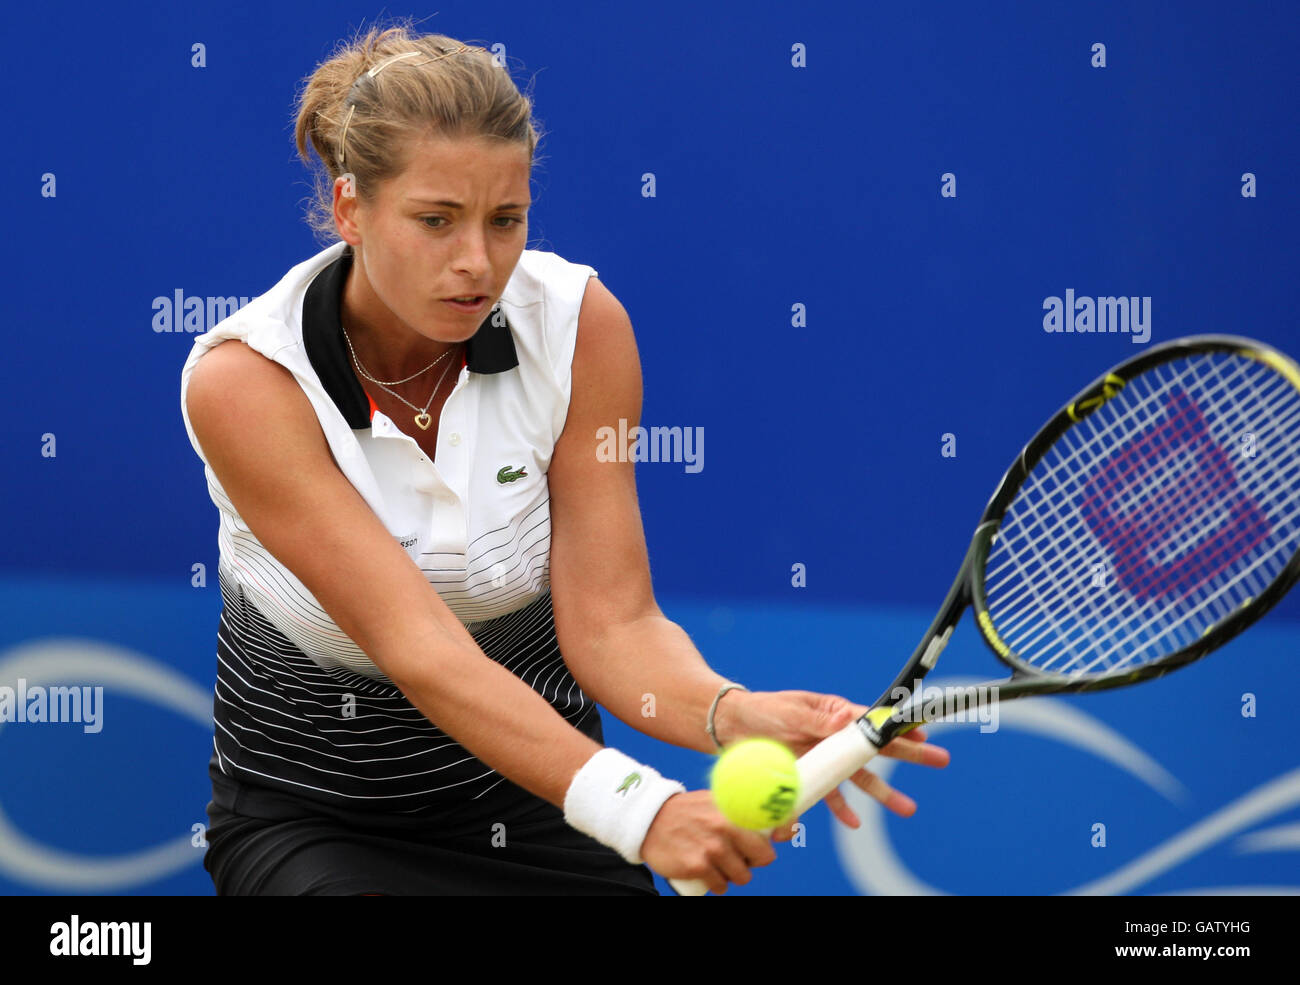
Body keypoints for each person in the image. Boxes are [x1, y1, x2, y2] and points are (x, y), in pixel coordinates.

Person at [179, 20, 948, 896]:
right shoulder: (247, 383)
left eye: (506, 220)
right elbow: (417, 644)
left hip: (540, 795)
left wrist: (731, 713)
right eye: (436, 220)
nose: (478, 262)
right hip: (321, 818)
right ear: (351, 208)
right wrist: (643, 810)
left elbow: (613, 625)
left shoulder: (580, 328)